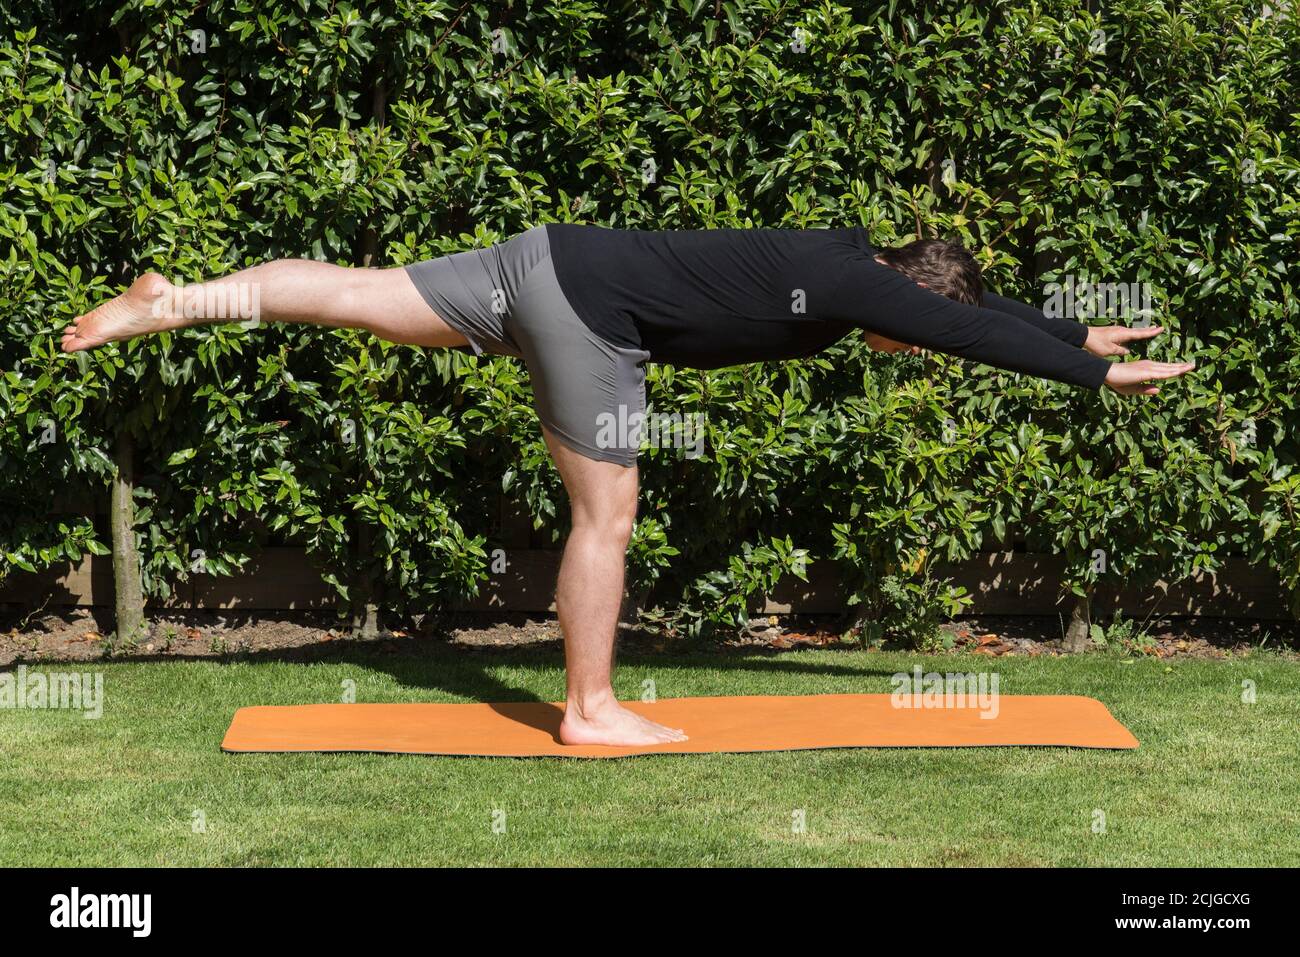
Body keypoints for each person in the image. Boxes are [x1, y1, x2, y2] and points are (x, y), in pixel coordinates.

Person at [61, 224, 1195, 746]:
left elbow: (975, 316)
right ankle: (589, 711)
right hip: (588, 314)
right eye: (917, 322)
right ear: (908, 300)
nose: (910, 338)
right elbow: (969, 337)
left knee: (358, 293)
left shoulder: (851, 259)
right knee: (607, 513)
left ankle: (174, 301)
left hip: (545, 258)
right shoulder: (867, 292)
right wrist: (1099, 376)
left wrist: (1082, 328)